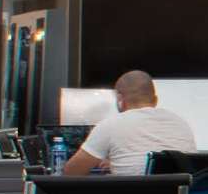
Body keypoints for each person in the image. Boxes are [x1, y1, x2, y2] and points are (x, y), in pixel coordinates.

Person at [67, 69, 200, 174]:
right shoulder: (180, 123)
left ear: (120, 100)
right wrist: (117, 162)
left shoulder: (110, 125)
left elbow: (71, 172)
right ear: (155, 100)